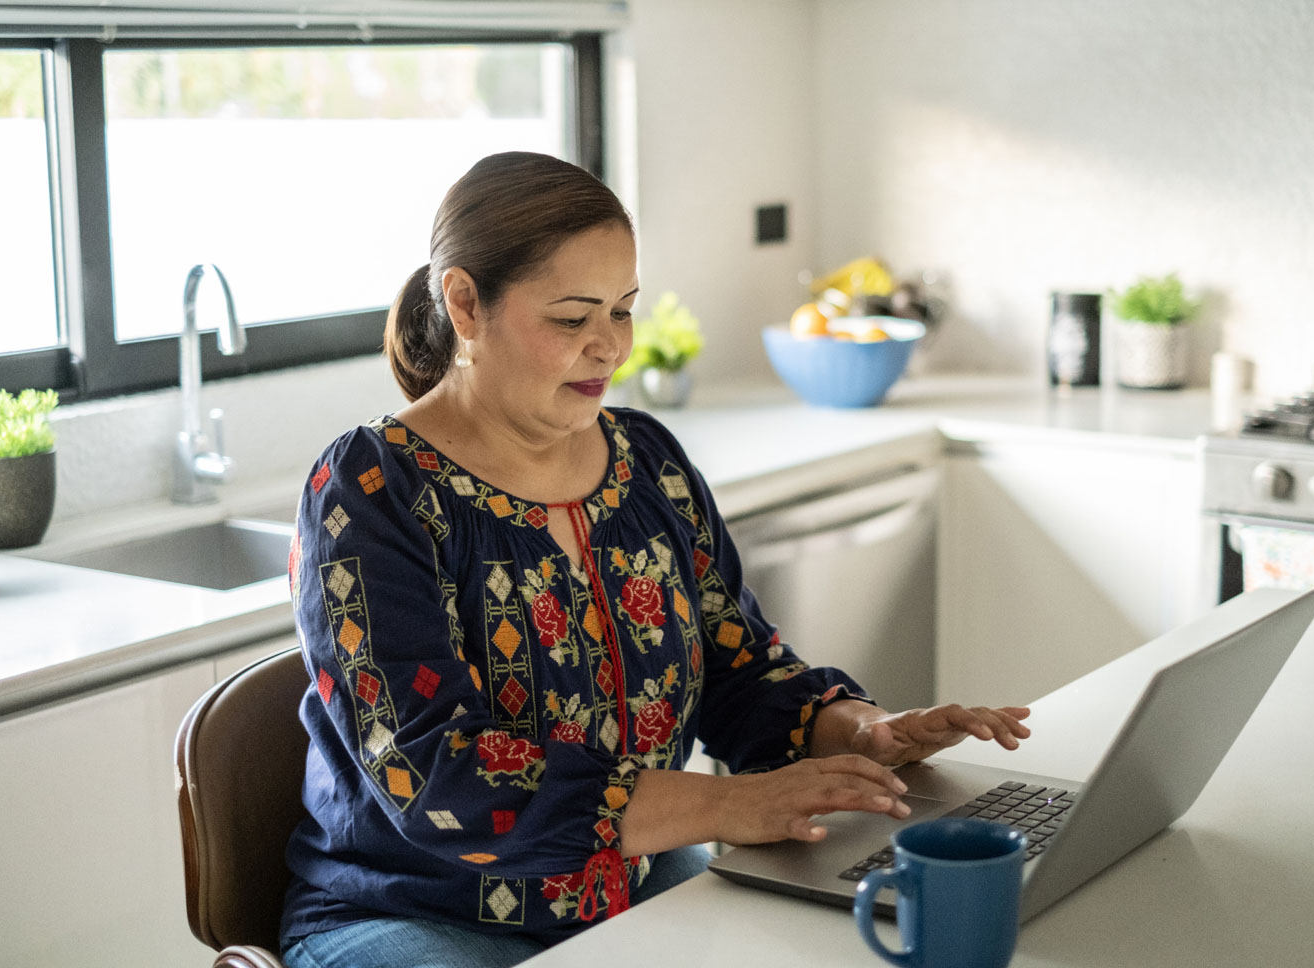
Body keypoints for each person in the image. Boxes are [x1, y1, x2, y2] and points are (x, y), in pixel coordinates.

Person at [279, 151, 1032, 968]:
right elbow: (436, 776)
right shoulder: (367, 490)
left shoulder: (646, 462)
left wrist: (858, 731)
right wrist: (729, 805)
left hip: (631, 883)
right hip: (414, 913)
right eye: (572, 318)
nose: (609, 346)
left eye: (623, 310)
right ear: (465, 302)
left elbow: (739, 672)